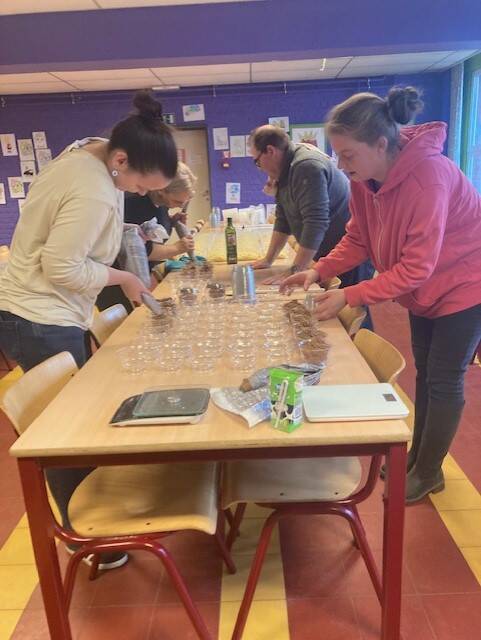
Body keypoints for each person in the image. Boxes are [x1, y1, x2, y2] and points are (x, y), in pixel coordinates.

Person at [0, 90, 178, 567]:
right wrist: (123, 277)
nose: (138, 194)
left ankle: (95, 524)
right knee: (64, 432)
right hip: (40, 314)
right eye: (140, 185)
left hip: (41, 309)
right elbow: (62, 267)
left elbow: (82, 231)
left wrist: (127, 238)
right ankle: (89, 540)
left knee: (72, 421)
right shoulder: (95, 190)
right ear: (121, 160)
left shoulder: (93, 152)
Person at [280, 86, 481, 504]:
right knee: (425, 373)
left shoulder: (429, 178)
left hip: (465, 285)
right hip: (425, 289)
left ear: (381, 144)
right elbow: (359, 239)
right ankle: (418, 459)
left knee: (444, 378)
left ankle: (429, 471)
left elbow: (416, 267)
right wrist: (317, 270)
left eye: (348, 155)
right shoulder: (365, 180)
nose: (341, 164)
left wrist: (351, 295)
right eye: (337, 154)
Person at [248, 125, 374, 290]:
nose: (259, 168)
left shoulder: (305, 167)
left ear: (270, 151)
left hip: (349, 254)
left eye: (257, 161)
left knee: (350, 301)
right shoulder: (284, 170)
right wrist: (268, 259)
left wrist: (295, 270)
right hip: (330, 254)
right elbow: (283, 219)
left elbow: (315, 222)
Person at [96, 162, 197, 312]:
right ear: (162, 189)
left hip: (139, 278)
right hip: (119, 285)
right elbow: (143, 251)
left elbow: (152, 229)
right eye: (177, 201)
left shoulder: (160, 202)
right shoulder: (136, 204)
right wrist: (177, 248)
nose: (179, 206)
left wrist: (171, 221)